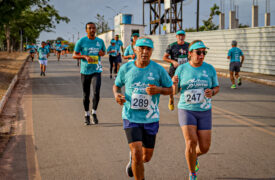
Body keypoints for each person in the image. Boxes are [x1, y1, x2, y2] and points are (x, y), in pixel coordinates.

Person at [113, 37, 173, 180]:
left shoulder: (158, 69)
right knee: (138, 155)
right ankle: (134, 158)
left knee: (146, 157)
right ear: (135, 49)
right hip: (130, 116)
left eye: (148, 49)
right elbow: (117, 85)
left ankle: (132, 158)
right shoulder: (126, 68)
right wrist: (117, 95)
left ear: (152, 51)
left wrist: (158, 90)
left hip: (150, 118)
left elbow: (170, 89)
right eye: (141, 48)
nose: (144, 52)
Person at [172, 40, 220, 180]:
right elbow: (175, 91)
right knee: (191, 141)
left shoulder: (210, 69)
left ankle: (194, 156)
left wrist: (212, 91)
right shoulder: (181, 69)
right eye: (198, 52)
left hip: (204, 110)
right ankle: (192, 173)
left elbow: (216, 87)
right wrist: (174, 85)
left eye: (204, 52)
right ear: (190, 53)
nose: (201, 55)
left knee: (205, 147)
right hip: (187, 109)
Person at [72, 22, 106, 125]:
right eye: (90, 28)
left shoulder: (100, 41)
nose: (92, 30)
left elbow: (104, 52)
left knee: (96, 92)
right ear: (86, 30)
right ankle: (86, 114)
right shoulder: (81, 41)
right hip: (85, 71)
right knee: (86, 95)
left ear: (96, 29)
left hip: (97, 70)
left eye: (94, 28)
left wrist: (102, 53)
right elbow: (74, 55)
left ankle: (94, 112)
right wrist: (84, 57)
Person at [163, 30, 189, 111]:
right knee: (172, 86)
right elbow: (165, 57)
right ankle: (171, 99)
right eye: (179, 35)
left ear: (184, 36)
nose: (181, 37)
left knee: (185, 85)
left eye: (182, 35)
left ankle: (184, 101)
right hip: (174, 69)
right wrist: (173, 61)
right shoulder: (172, 46)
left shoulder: (189, 45)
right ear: (176, 37)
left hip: (185, 69)